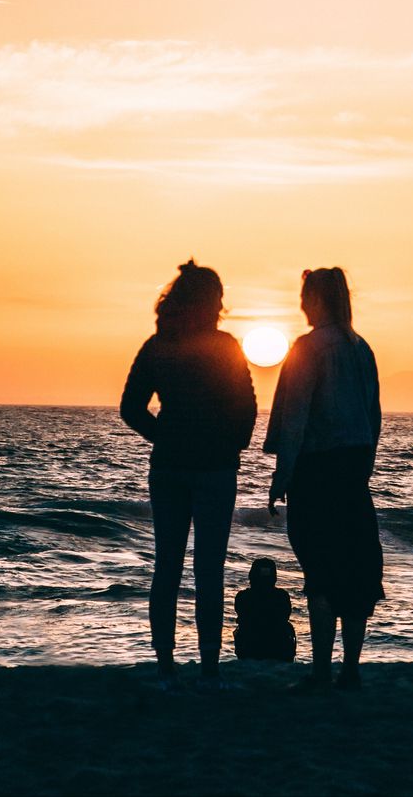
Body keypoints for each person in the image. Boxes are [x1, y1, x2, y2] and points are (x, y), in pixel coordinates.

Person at [120, 260, 256, 685]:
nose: (221, 305)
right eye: (217, 298)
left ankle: (165, 663)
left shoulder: (158, 345)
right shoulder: (225, 345)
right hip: (214, 468)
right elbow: (247, 407)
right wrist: (231, 444)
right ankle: (210, 665)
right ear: (209, 300)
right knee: (208, 568)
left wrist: (164, 436)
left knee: (168, 566)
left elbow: (130, 408)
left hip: (170, 467)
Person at [264, 266, 383, 691]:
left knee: (320, 567)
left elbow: (295, 417)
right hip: (353, 470)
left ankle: (320, 670)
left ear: (316, 300)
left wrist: (283, 474)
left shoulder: (309, 348)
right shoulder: (360, 348)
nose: (300, 304)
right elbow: (374, 415)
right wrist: (364, 463)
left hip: (317, 469)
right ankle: (350, 668)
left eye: (305, 296)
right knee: (356, 567)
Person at [233, 557, 297, 662]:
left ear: (251, 576)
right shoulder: (282, 596)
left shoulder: (242, 597)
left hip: (249, 649)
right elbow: (286, 616)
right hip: (279, 650)